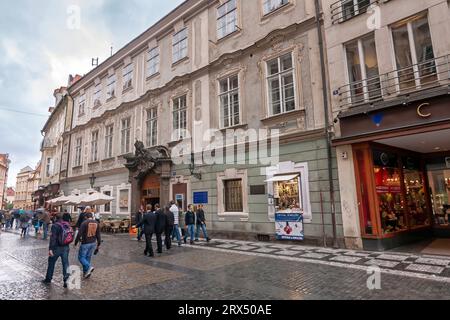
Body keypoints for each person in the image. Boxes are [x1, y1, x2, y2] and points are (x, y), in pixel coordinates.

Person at [42, 212, 73, 288]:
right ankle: (66, 279)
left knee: (51, 262)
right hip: (66, 247)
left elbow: (53, 238)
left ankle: (48, 279)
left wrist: (50, 249)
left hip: (56, 247)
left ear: (55, 218)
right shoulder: (67, 224)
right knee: (65, 263)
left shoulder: (55, 225)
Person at [74, 212, 101, 279]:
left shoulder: (84, 223)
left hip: (85, 243)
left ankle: (89, 267)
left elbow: (79, 234)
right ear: (92, 216)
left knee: (81, 257)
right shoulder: (96, 223)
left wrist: (75, 243)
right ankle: (86, 273)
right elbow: (98, 235)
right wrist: (98, 244)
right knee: (87, 258)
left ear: (86, 217)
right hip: (93, 243)